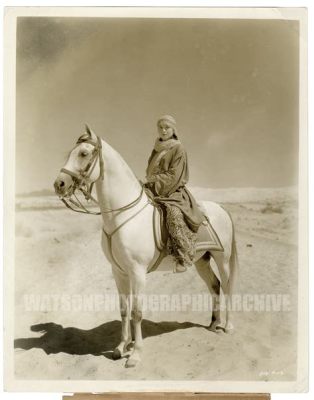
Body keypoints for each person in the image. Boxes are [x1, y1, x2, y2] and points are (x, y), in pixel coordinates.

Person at [145, 115, 204, 273]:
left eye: (167, 127)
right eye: (160, 127)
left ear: (173, 130)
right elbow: (149, 171)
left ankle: (182, 256)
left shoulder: (179, 149)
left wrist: (154, 181)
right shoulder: (156, 149)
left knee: (174, 215)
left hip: (173, 191)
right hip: (154, 188)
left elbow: (175, 175)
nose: (163, 130)